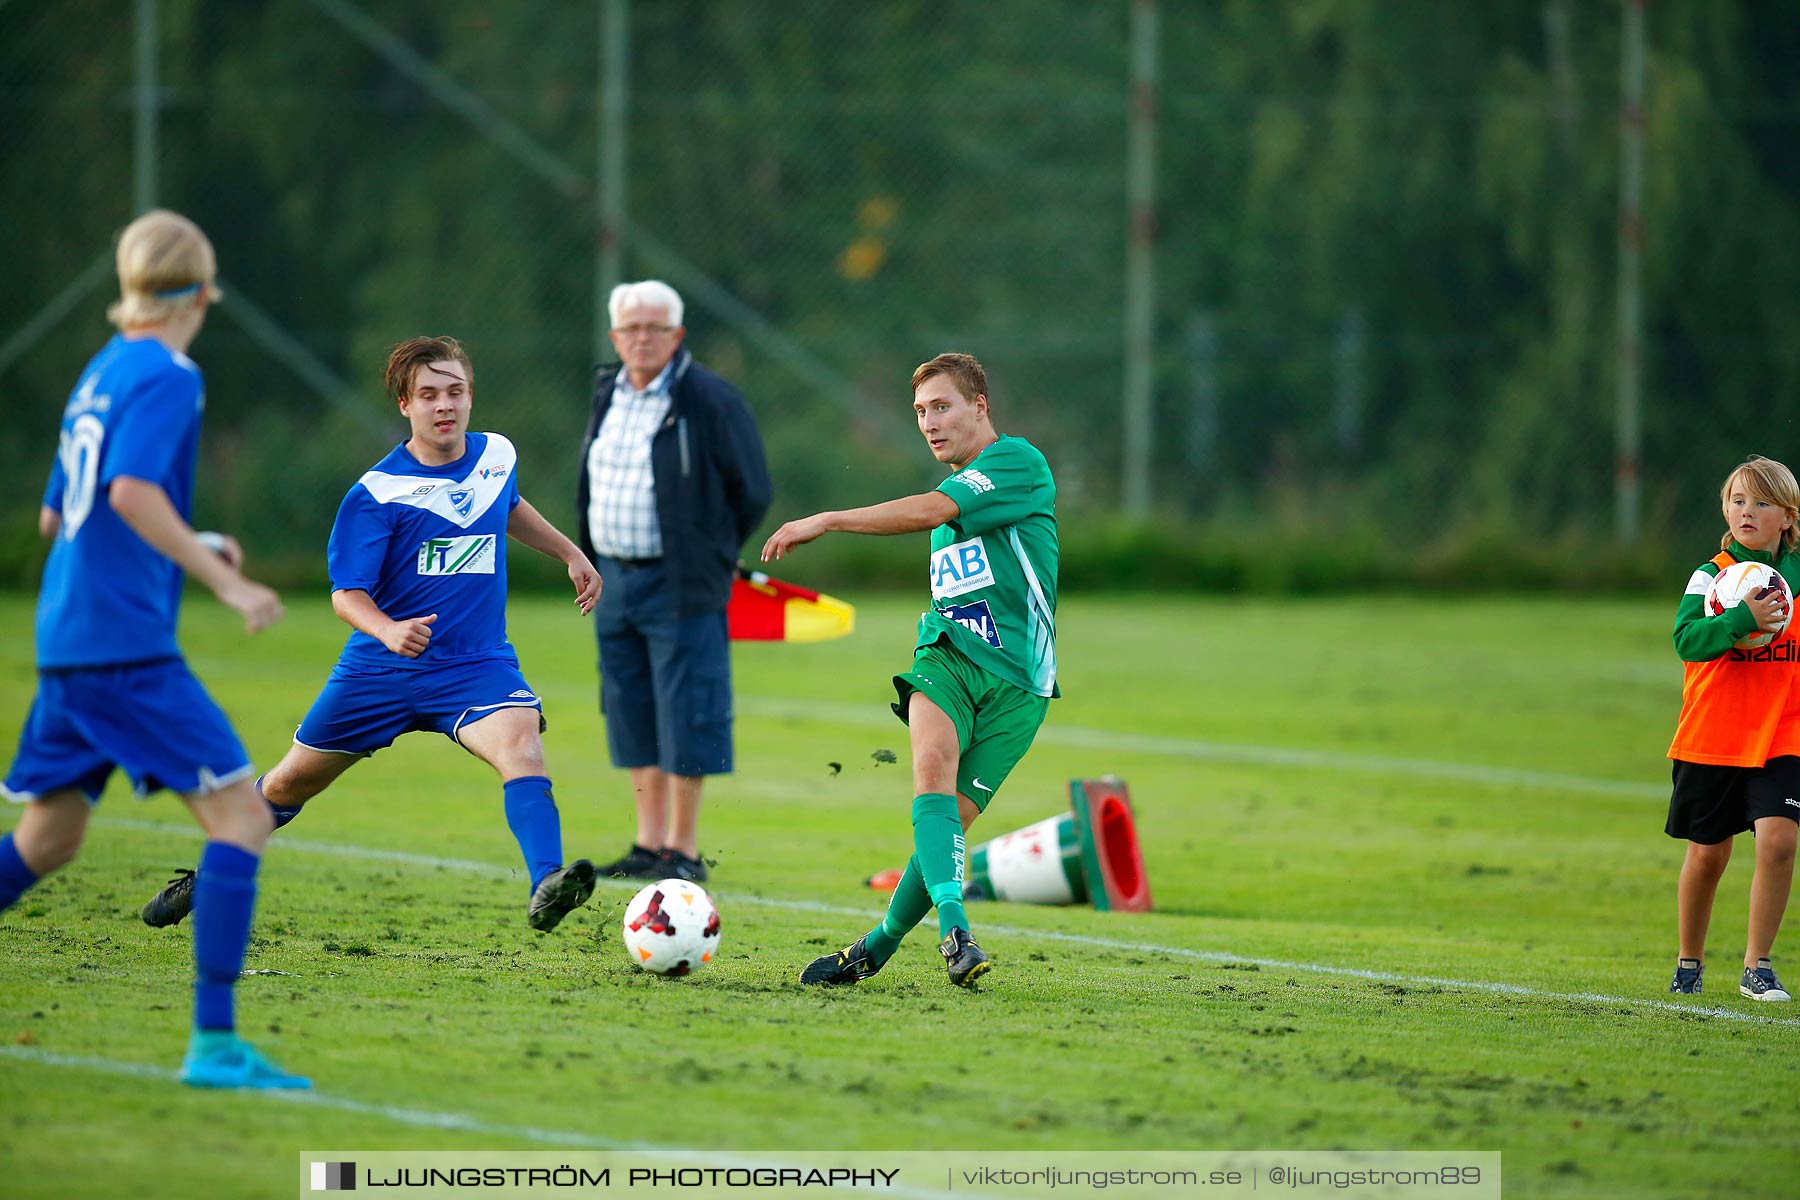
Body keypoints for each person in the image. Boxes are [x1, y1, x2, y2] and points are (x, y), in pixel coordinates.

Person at [139, 336, 604, 933]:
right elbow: (346, 595)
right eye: (429, 394)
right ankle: (212, 874)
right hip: (378, 672)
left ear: (470, 398)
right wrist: (387, 630)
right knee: (287, 783)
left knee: (522, 748)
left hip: (473, 663)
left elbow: (506, 505)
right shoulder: (377, 493)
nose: (445, 405)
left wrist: (569, 552)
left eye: (456, 392)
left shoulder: (497, 456)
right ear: (404, 405)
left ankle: (547, 882)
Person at [0, 209, 308, 1088]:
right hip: (121, 646)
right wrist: (227, 580)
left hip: (67, 634)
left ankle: (217, 1045)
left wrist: (195, 539)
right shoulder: (170, 373)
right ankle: (215, 1047)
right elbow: (131, 495)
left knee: (49, 839)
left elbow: (61, 515)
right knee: (243, 818)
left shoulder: (97, 374)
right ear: (202, 292)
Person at [762, 352, 1058, 989]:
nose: (929, 422)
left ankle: (875, 947)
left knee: (947, 822)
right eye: (921, 412)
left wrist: (829, 519)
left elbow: (929, 510)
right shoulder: (958, 490)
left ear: (980, 406)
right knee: (930, 771)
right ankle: (957, 934)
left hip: (1020, 686)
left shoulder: (1017, 463)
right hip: (947, 655)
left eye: (942, 406)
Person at [576, 281, 771, 884]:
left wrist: (709, 553)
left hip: (682, 583)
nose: (641, 338)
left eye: (654, 328)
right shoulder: (607, 391)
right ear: (615, 337)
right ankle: (647, 843)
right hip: (614, 579)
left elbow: (753, 489)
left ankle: (683, 851)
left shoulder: (708, 397)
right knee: (630, 708)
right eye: (630, 328)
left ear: (676, 335)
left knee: (689, 708)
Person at [1665, 454, 1800, 1003]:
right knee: (1708, 855)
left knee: (1778, 841)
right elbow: (1687, 640)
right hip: (1715, 732)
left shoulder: (1797, 578)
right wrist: (1740, 621)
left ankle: (1757, 965)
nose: (1747, 512)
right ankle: (1689, 961)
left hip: (1783, 730)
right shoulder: (1711, 574)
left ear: (1787, 517)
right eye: (1737, 501)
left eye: (1761, 503)